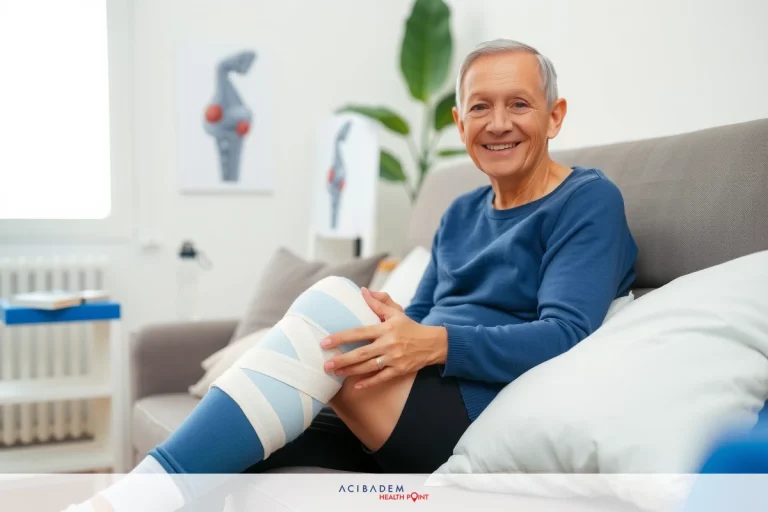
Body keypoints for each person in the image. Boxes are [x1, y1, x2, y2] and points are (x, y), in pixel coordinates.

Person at [66, 38, 638, 512]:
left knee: (333, 303)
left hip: (476, 410)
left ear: (554, 116)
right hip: (413, 392)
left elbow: (566, 334)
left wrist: (432, 342)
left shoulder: (586, 201)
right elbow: (420, 317)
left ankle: (118, 503)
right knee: (238, 454)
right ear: (460, 121)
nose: (498, 124)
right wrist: (399, 329)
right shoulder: (461, 211)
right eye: (481, 107)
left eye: (519, 104)